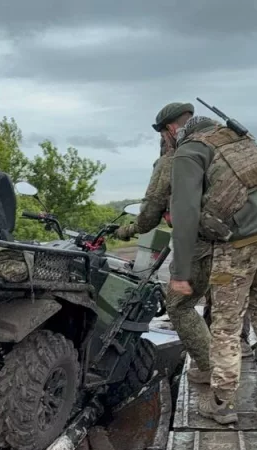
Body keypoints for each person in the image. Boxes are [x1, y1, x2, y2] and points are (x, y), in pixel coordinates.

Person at [163, 107, 257, 425]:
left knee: (225, 324)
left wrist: (182, 272)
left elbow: (184, 215)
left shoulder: (189, 152)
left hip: (241, 243)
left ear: (181, 134)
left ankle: (223, 403)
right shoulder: (239, 139)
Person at [112, 103, 212, 385]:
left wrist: (128, 230)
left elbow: (150, 212)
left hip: (200, 240)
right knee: (228, 299)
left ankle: (211, 368)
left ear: (170, 129)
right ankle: (235, 347)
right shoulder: (219, 152)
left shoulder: (173, 160)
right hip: (244, 238)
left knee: (179, 305)